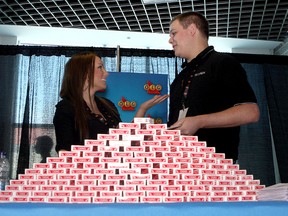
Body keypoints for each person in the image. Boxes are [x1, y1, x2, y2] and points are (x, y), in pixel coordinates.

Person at [168, 12, 260, 162]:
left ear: (192, 29)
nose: (170, 40)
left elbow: (250, 112)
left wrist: (198, 121)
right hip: (181, 166)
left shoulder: (223, 63)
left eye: (173, 33)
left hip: (215, 169)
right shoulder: (180, 79)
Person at [53, 52, 168, 153]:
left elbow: (124, 139)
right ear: (84, 74)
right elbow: (64, 153)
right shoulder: (66, 108)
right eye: (100, 68)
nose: (106, 73)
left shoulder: (107, 105)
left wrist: (142, 109)